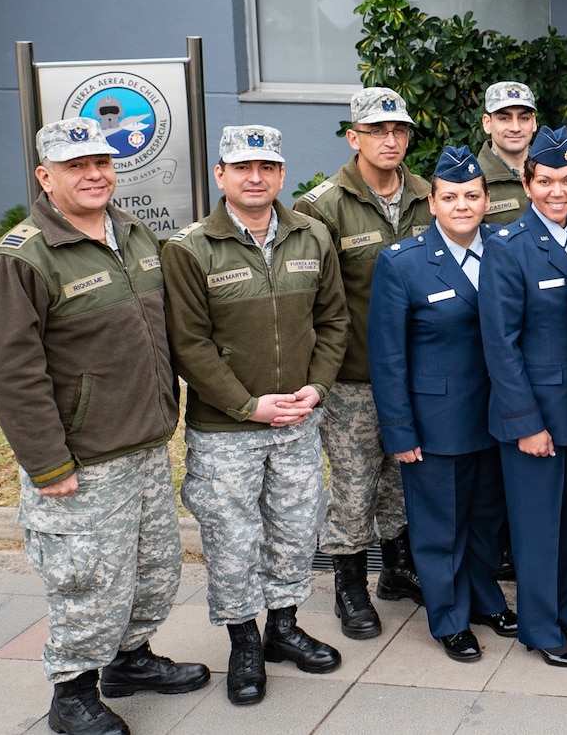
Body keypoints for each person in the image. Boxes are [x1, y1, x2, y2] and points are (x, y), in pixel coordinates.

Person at [0, 118, 209, 735]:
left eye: (101, 162)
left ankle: (128, 661)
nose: (94, 174)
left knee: (153, 568)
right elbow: (7, 372)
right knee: (87, 581)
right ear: (45, 177)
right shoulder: (22, 258)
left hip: (145, 444)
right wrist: (48, 464)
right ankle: (71, 693)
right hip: (81, 460)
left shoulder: (132, 234)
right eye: (76, 166)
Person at [162, 125, 350, 704]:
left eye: (266, 167)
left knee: (295, 529)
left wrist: (316, 388)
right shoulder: (190, 249)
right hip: (227, 430)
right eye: (242, 168)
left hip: (298, 418)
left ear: (281, 174)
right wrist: (247, 405)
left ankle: (283, 629)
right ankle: (244, 641)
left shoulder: (311, 236)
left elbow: (333, 322)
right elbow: (188, 344)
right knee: (233, 537)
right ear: (220, 175)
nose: (255, 178)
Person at [368, 147, 517, 664]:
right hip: (437, 423)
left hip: (498, 417)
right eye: (449, 197)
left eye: (471, 196)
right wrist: (400, 432)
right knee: (441, 526)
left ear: (487, 200)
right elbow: (387, 357)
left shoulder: (506, 248)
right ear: (431, 203)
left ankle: (484, 599)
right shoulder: (402, 263)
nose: (461, 205)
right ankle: (449, 617)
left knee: (485, 520)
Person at [294, 87, 433, 639]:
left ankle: (397, 569)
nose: (390, 140)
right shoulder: (321, 206)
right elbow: (312, 301)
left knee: (405, 476)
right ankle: (349, 584)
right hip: (354, 374)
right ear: (353, 138)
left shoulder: (428, 194)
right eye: (377, 131)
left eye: (398, 130)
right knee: (355, 486)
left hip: (420, 369)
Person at [476, 126, 567, 669]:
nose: (559, 191)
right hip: (536, 415)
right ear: (528, 185)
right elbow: (500, 345)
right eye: (547, 180)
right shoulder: (507, 248)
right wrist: (526, 422)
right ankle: (537, 624)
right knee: (537, 526)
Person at [477, 81, 537, 222]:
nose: (515, 127)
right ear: (487, 123)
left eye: (524, 118)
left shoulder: (553, 171)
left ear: (533, 122)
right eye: (504, 118)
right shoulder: (473, 181)